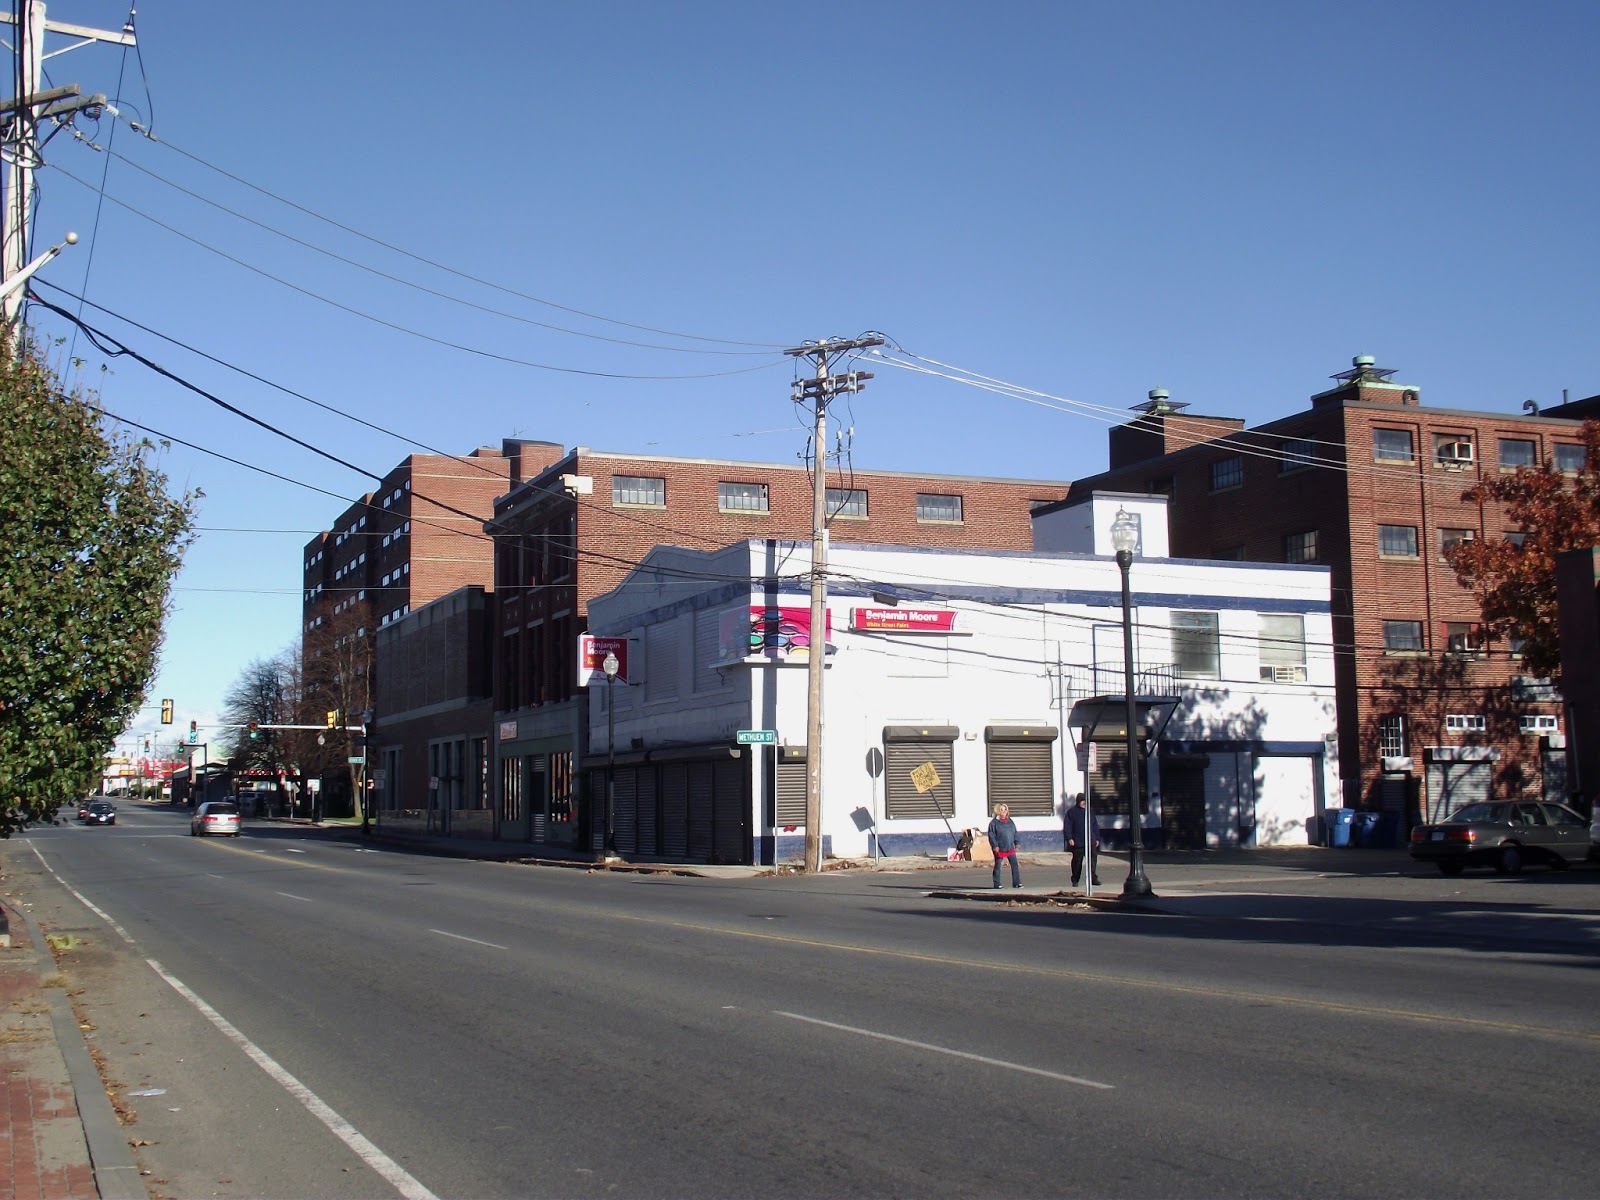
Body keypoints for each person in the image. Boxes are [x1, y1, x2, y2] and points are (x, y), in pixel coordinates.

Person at [1066, 792, 1101, 888]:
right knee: (1077, 862)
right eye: (1082, 801)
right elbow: (1067, 826)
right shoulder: (1072, 812)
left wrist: (1097, 838)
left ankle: (1093, 878)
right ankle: (1075, 879)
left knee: (1092, 861)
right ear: (1078, 802)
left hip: (1091, 841)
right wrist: (1069, 838)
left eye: (1085, 801)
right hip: (1078, 842)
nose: (1084, 803)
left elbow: (1095, 826)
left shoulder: (1090, 812)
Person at [987, 802, 1022, 889]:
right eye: (1001, 810)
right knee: (998, 866)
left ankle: (1017, 883)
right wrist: (995, 846)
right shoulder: (994, 823)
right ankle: (997, 883)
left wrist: (1017, 843)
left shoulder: (1010, 821)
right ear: (998, 811)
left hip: (1010, 847)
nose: (1003, 811)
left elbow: (1015, 833)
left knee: (1014, 865)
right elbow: (991, 836)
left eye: (1005, 809)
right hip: (999, 848)